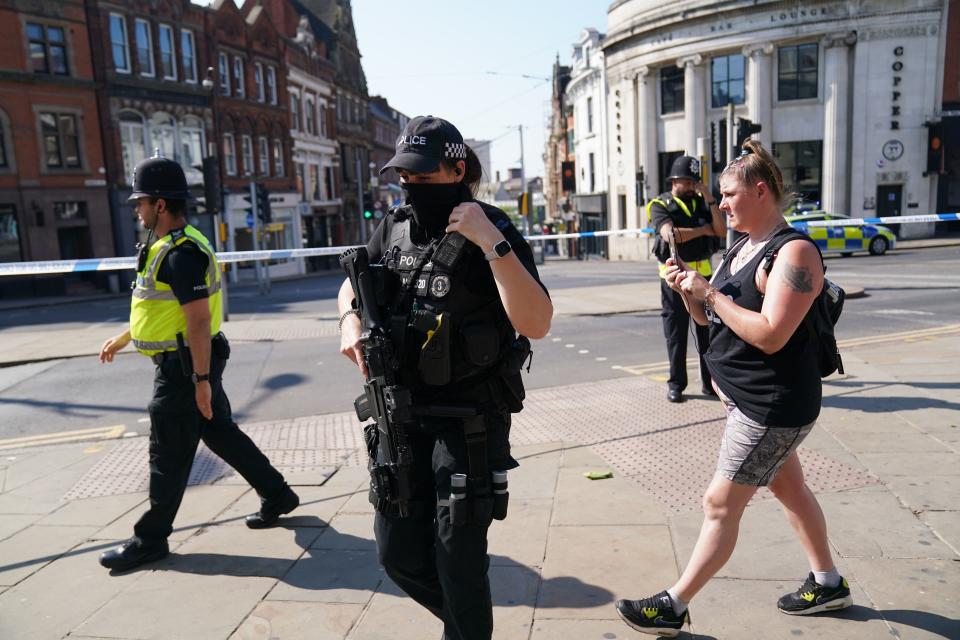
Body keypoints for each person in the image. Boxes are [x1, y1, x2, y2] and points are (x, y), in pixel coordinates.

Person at [616, 140, 851, 637]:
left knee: (719, 504)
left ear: (760, 191)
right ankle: (829, 582)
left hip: (771, 407)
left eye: (727, 194)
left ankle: (674, 605)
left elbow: (771, 333)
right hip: (745, 400)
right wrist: (690, 294)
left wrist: (710, 294)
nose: (719, 204)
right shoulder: (740, 245)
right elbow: (708, 320)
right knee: (790, 488)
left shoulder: (794, 252)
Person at [338, 116, 552, 640]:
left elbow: (537, 322)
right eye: (403, 176)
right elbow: (353, 283)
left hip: (468, 423)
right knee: (398, 555)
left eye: (422, 176)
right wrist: (349, 321)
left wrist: (489, 242)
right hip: (400, 420)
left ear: (458, 169)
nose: (409, 186)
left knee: (458, 563)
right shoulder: (393, 225)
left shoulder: (495, 228)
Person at [97, 154, 299, 572]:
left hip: (185, 366)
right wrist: (122, 338)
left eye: (141, 202)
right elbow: (159, 311)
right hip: (189, 359)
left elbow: (198, 320)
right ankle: (277, 494)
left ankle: (149, 540)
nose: (136, 209)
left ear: (161, 205)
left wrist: (200, 380)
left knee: (167, 454)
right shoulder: (168, 245)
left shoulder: (181, 254)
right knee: (220, 433)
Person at [647, 155, 726, 403]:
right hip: (674, 280)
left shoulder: (703, 203)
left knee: (707, 331)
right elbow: (670, 235)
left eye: (695, 182)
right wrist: (704, 230)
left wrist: (711, 199)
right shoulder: (660, 204)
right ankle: (677, 384)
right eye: (688, 181)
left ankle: (708, 384)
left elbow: (721, 231)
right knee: (676, 334)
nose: (692, 186)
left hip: (703, 277)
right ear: (674, 181)